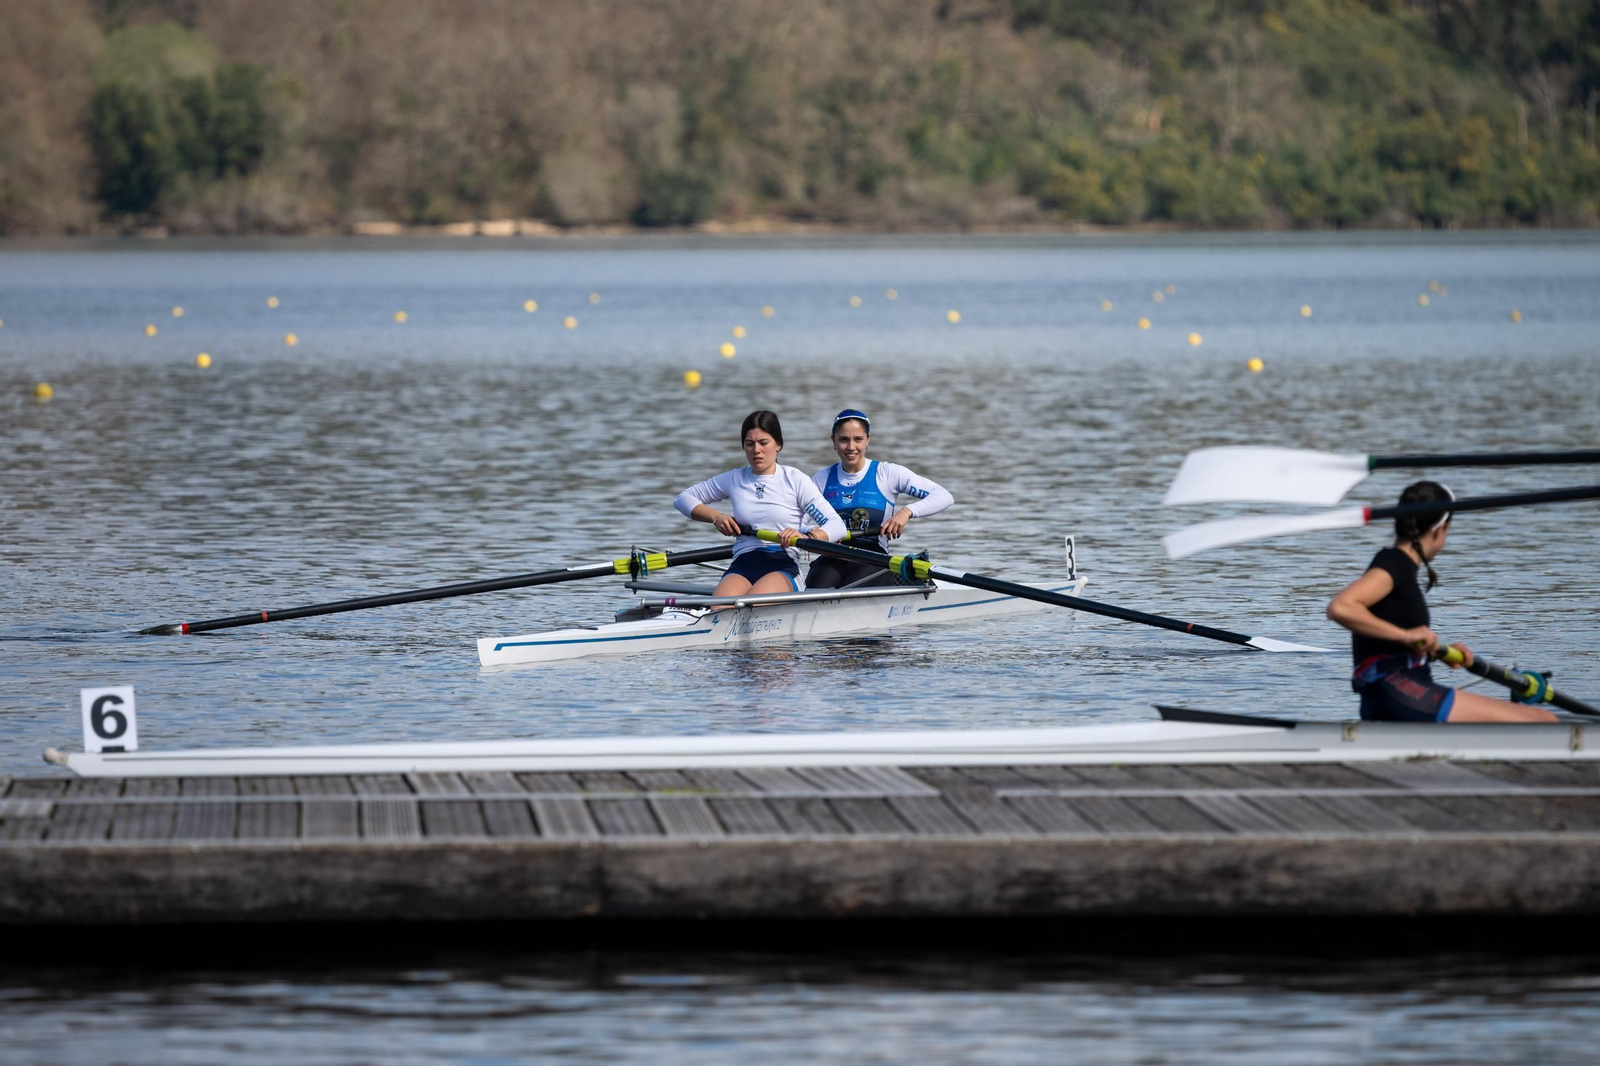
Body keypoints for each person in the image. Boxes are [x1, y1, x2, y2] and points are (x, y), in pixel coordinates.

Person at [1326, 480, 1556, 723]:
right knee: (1542, 720)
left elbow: (1389, 642)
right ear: (1440, 529)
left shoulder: (1397, 565)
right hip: (1397, 692)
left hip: (1392, 693)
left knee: (1537, 720)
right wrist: (1405, 636)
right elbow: (1341, 607)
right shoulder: (1393, 565)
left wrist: (1440, 652)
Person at [674, 410, 847, 597]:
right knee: (718, 607)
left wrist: (808, 537)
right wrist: (717, 517)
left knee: (751, 602)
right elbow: (683, 499)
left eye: (763, 443)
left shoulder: (795, 480)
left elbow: (837, 525)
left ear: (778, 445)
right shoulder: (735, 479)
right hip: (744, 562)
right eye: (749, 444)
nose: (756, 450)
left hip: (783, 563)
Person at [806, 409, 954, 589]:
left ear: (868, 440)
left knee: (853, 586)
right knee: (816, 585)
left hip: (873, 556)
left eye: (858, 439)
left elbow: (944, 496)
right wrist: (814, 531)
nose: (851, 447)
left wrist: (907, 512)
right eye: (844, 439)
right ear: (833, 441)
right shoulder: (821, 479)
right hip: (833, 555)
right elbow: (796, 520)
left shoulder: (887, 473)